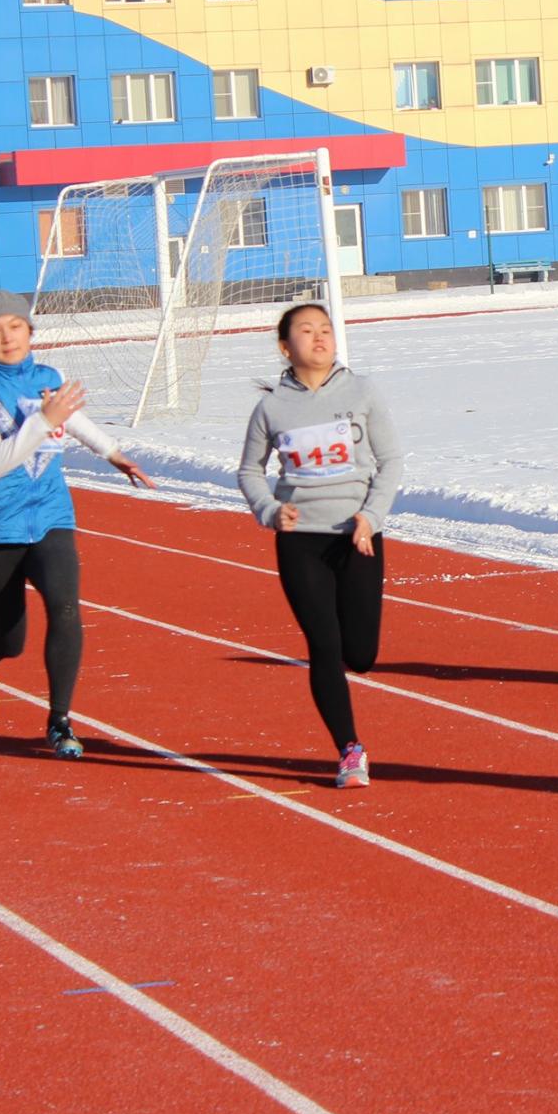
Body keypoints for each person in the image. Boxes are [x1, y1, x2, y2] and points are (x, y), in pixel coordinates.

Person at [0, 289, 155, 758]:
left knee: (66, 608)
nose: (7, 338)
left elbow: (74, 419)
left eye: (16, 327)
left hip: (50, 517)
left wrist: (112, 453)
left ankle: (60, 720)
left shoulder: (50, 376)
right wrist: (43, 421)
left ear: (30, 330)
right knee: (10, 639)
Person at [238, 303, 405, 789]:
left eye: (326, 330)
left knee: (362, 654)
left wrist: (370, 518)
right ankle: (349, 749)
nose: (320, 339)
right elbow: (250, 469)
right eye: (307, 331)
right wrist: (270, 510)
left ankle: (350, 724)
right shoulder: (271, 407)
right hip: (300, 541)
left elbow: (391, 460)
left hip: (357, 537)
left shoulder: (363, 391)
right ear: (284, 347)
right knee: (325, 647)